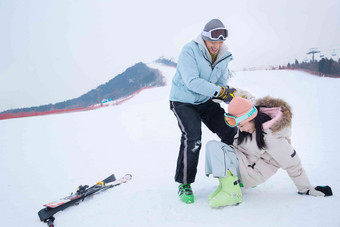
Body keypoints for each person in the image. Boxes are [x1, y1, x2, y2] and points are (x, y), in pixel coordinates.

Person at [169, 18, 249, 204]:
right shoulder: (189, 50)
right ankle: (184, 183)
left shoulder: (224, 55)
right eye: (213, 41)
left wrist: (228, 95)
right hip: (183, 100)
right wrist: (220, 91)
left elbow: (220, 84)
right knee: (193, 136)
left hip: (205, 100)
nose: (216, 45)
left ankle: (232, 175)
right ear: (204, 38)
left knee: (230, 130)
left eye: (220, 41)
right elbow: (192, 82)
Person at [205, 96, 333, 208]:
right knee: (213, 146)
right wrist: (224, 94)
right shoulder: (251, 119)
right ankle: (226, 185)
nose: (241, 130)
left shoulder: (271, 137)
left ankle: (232, 192)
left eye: (242, 125)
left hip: (252, 172)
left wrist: (306, 189)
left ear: (251, 119)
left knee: (217, 148)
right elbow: (245, 98)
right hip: (243, 160)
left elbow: (292, 163)